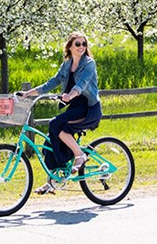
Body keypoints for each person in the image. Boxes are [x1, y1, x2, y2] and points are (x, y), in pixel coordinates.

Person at [22, 32, 102, 194]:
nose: (81, 47)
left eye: (84, 44)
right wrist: (28, 93)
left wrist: (70, 95)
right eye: (77, 44)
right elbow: (53, 81)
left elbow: (82, 83)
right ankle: (51, 182)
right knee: (50, 141)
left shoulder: (89, 63)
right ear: (70, 47)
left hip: (89, 108)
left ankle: (79, 155)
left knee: (56, 125)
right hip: (75, 108)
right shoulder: (67, 65)